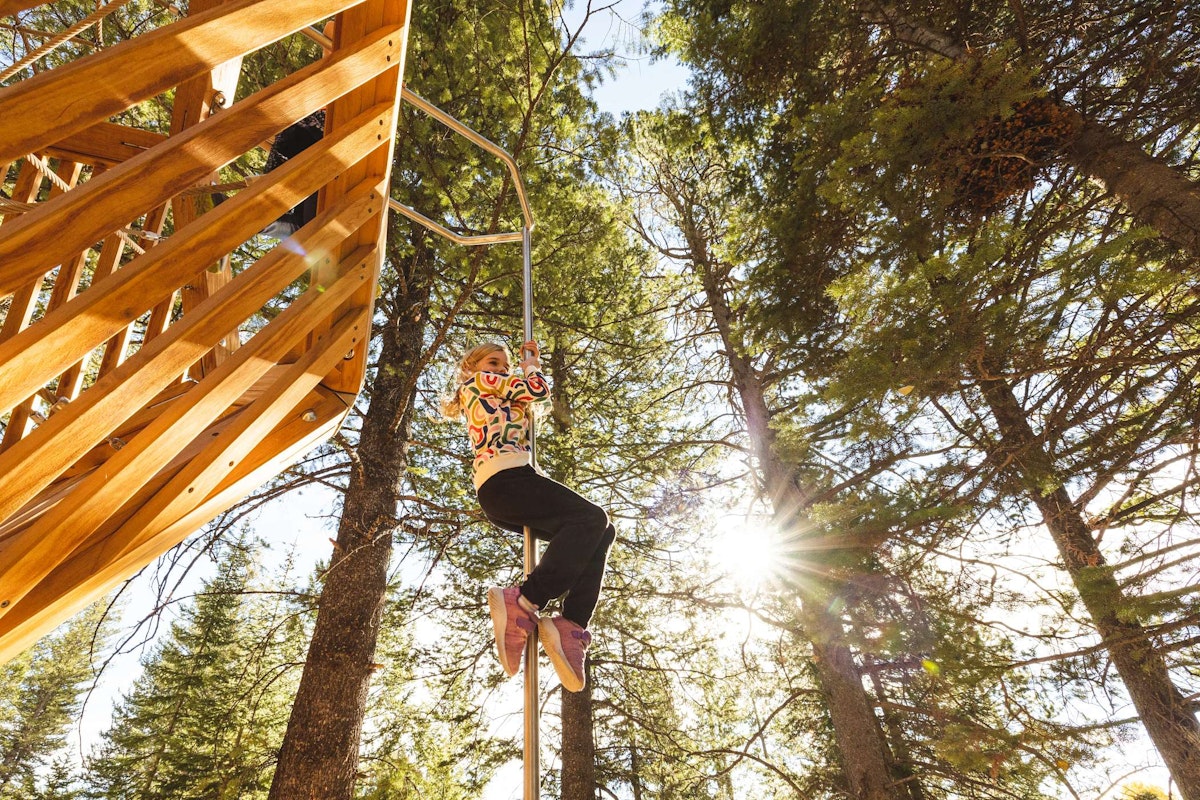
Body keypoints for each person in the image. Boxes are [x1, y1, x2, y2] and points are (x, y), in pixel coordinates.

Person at [442, 340, 616, 692]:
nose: (500, 370)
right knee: (592, 519)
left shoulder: (496, 391)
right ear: (471, 367)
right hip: (507, 481)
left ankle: (571, 625)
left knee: (601, 531)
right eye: (493, 362)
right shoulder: (477, 383)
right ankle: (523, 600)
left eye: (504, 366)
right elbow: (536, 390)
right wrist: (531, 365)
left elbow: (530, 402)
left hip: (511, 484)